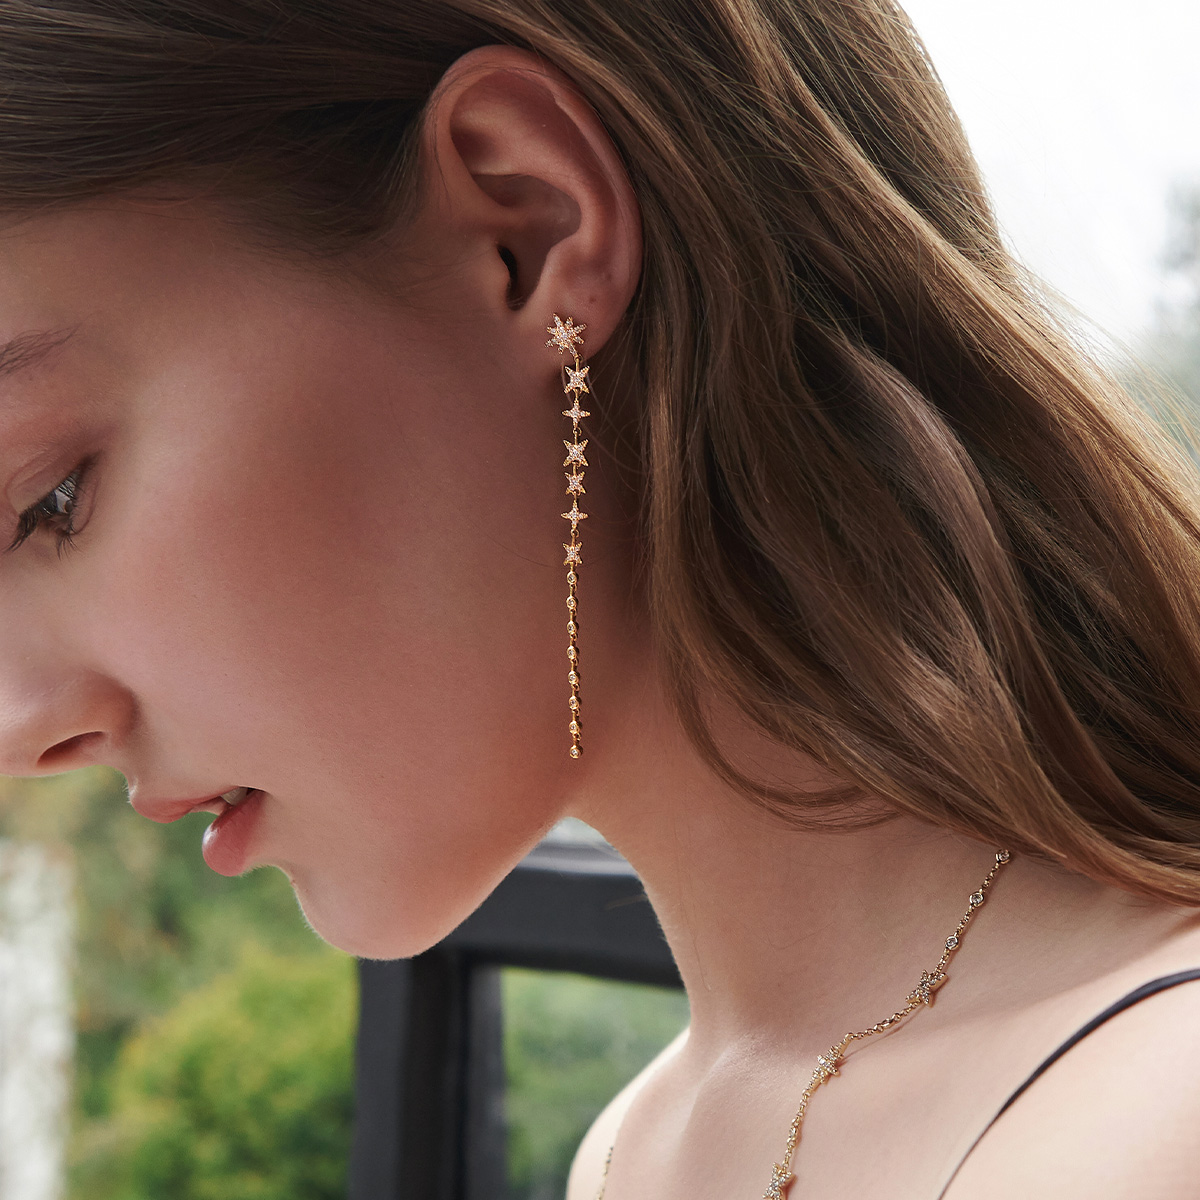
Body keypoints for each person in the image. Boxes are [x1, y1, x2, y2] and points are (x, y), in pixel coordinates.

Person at [0, 1, 1198, 1196]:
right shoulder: (634, 1150)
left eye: (50, 499)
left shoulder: (1149, 1119)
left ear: (527, 226)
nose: (19, 732)